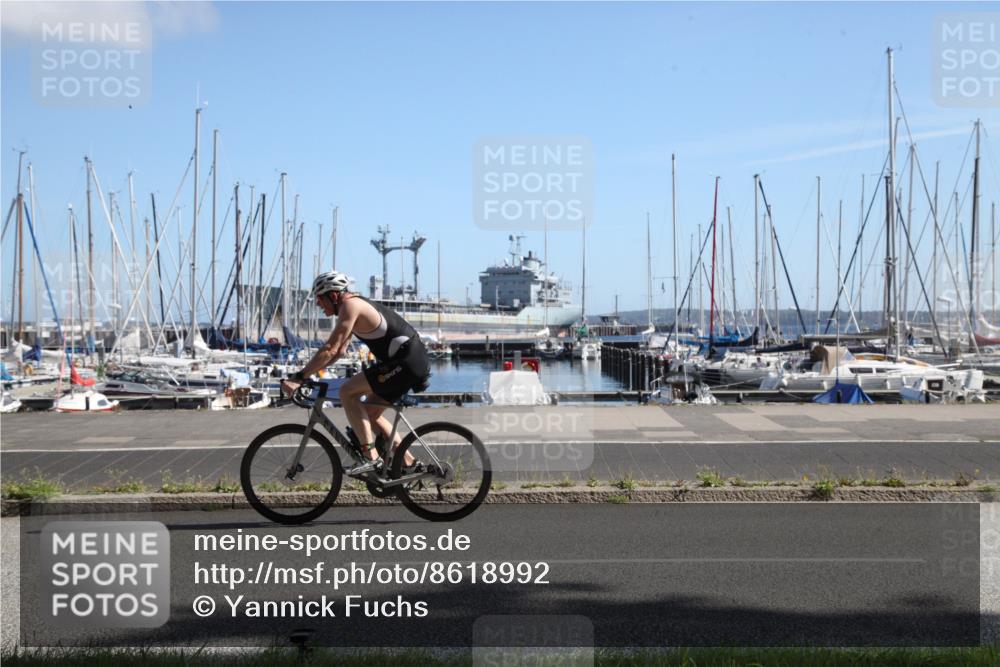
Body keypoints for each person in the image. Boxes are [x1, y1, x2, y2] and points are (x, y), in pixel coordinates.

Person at [281, 271, 430, 476]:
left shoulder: (351, 306)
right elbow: (339, 352)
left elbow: (330, 348)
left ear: (333, 296)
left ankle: (371, 458)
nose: (318, 304)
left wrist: (299, 377)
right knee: (367, 417)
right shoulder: (351, 307)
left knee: (347, 392)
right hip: (407, 361)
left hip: (405, 362)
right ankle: (411, 464)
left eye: (320, 299)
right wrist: (308, 375)